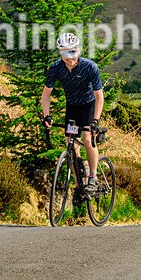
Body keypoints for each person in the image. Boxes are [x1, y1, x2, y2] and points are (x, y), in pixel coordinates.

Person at [41, 32, 104, 195]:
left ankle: (93, 177)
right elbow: (46, 94)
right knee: (70, 145)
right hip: (72, 107)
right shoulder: (55, 68)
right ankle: (78, 184)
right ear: (60, 52)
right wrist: (46, 116)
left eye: (73, 52)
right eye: (65, 53)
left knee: (87, 139)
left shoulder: (90, 66)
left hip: (89, 105)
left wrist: (95, 121)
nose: (70, 57)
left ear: (78, 50)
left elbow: (99, 96)